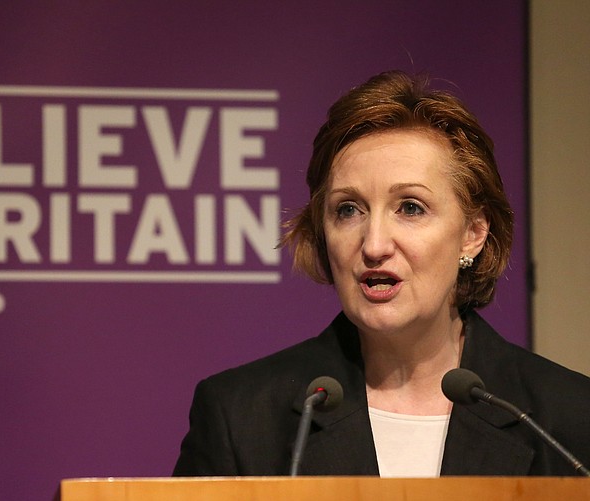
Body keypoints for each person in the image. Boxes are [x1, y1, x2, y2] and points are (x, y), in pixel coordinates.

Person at [173, 70, 590, 477]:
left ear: (473, 234)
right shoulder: (242, 416)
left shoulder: (566, 418)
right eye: (348, 210)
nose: (374, 245)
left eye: (410, 207)